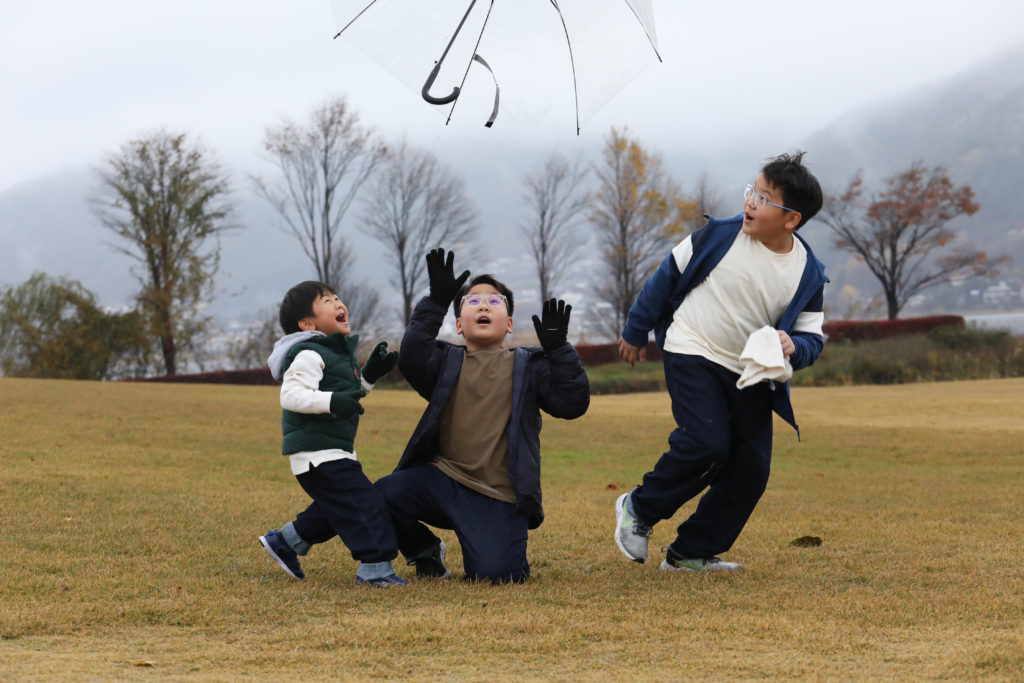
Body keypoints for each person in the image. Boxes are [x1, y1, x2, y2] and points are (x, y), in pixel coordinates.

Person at [614, 152, 827, 572]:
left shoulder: (809, 272)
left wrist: (793, 346)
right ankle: (638, 507)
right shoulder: (719, 235)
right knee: (706, 444)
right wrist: (635, 330)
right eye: (752, 191)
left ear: (791, 220)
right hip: (692, 347)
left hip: (748, 372)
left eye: (765, 199)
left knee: (751, 469)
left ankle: (690, 553)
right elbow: (665, 277)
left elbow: (812, 338)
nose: (750, 203)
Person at [375, 248, 590, 584]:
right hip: (442, 481)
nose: (485, 305)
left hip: (499, 495)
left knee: (497, 576)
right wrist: (436, 301)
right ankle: (423, 551)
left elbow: (572, 403)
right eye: (473, 302)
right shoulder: (444, 363)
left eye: (495, 301)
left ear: (509, 325)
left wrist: (559, 349)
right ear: (459, 325)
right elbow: (413, 356)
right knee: (381, 495)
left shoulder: (529, 367)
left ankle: (494, 549)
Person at [258, 280, 407, 587]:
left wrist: (369, 376)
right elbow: (291, 395)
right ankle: (375, 569)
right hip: (317, 454)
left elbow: (346, 396)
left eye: (338, 298)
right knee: (366, 504)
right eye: (327, 300)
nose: (339, 303)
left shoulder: (335, 352)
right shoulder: (309, 354)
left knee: (339, 504)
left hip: (331, 451)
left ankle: (286, 541)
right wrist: (332, 401)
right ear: (307, 323)